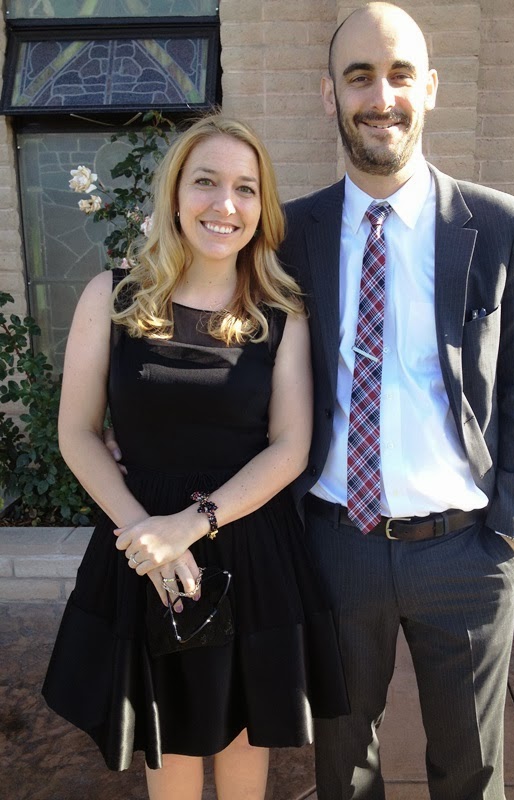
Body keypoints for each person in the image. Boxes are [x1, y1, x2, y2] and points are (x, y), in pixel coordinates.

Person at [276, 3, 514, 799]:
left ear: (429, 88)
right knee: (342, 767)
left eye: (400, 74)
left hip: (466, 554)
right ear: (329, 94)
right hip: (335, 547)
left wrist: (513, 530)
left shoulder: (500, 227)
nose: (381, 97)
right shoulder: (288, 235)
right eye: (359, 76)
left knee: (470, 771)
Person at [42, 114, 348, 800]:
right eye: (206, 182)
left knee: (242, 745)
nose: (225, 204)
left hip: (249, 544)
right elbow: (77, 434)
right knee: (171, 745)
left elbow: (290, 447)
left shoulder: (280, 311)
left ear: (262, 208)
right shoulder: (112, 297)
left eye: (245, 188)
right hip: (140, 546)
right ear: (176, 194)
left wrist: (188, 526)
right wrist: (147, 537)